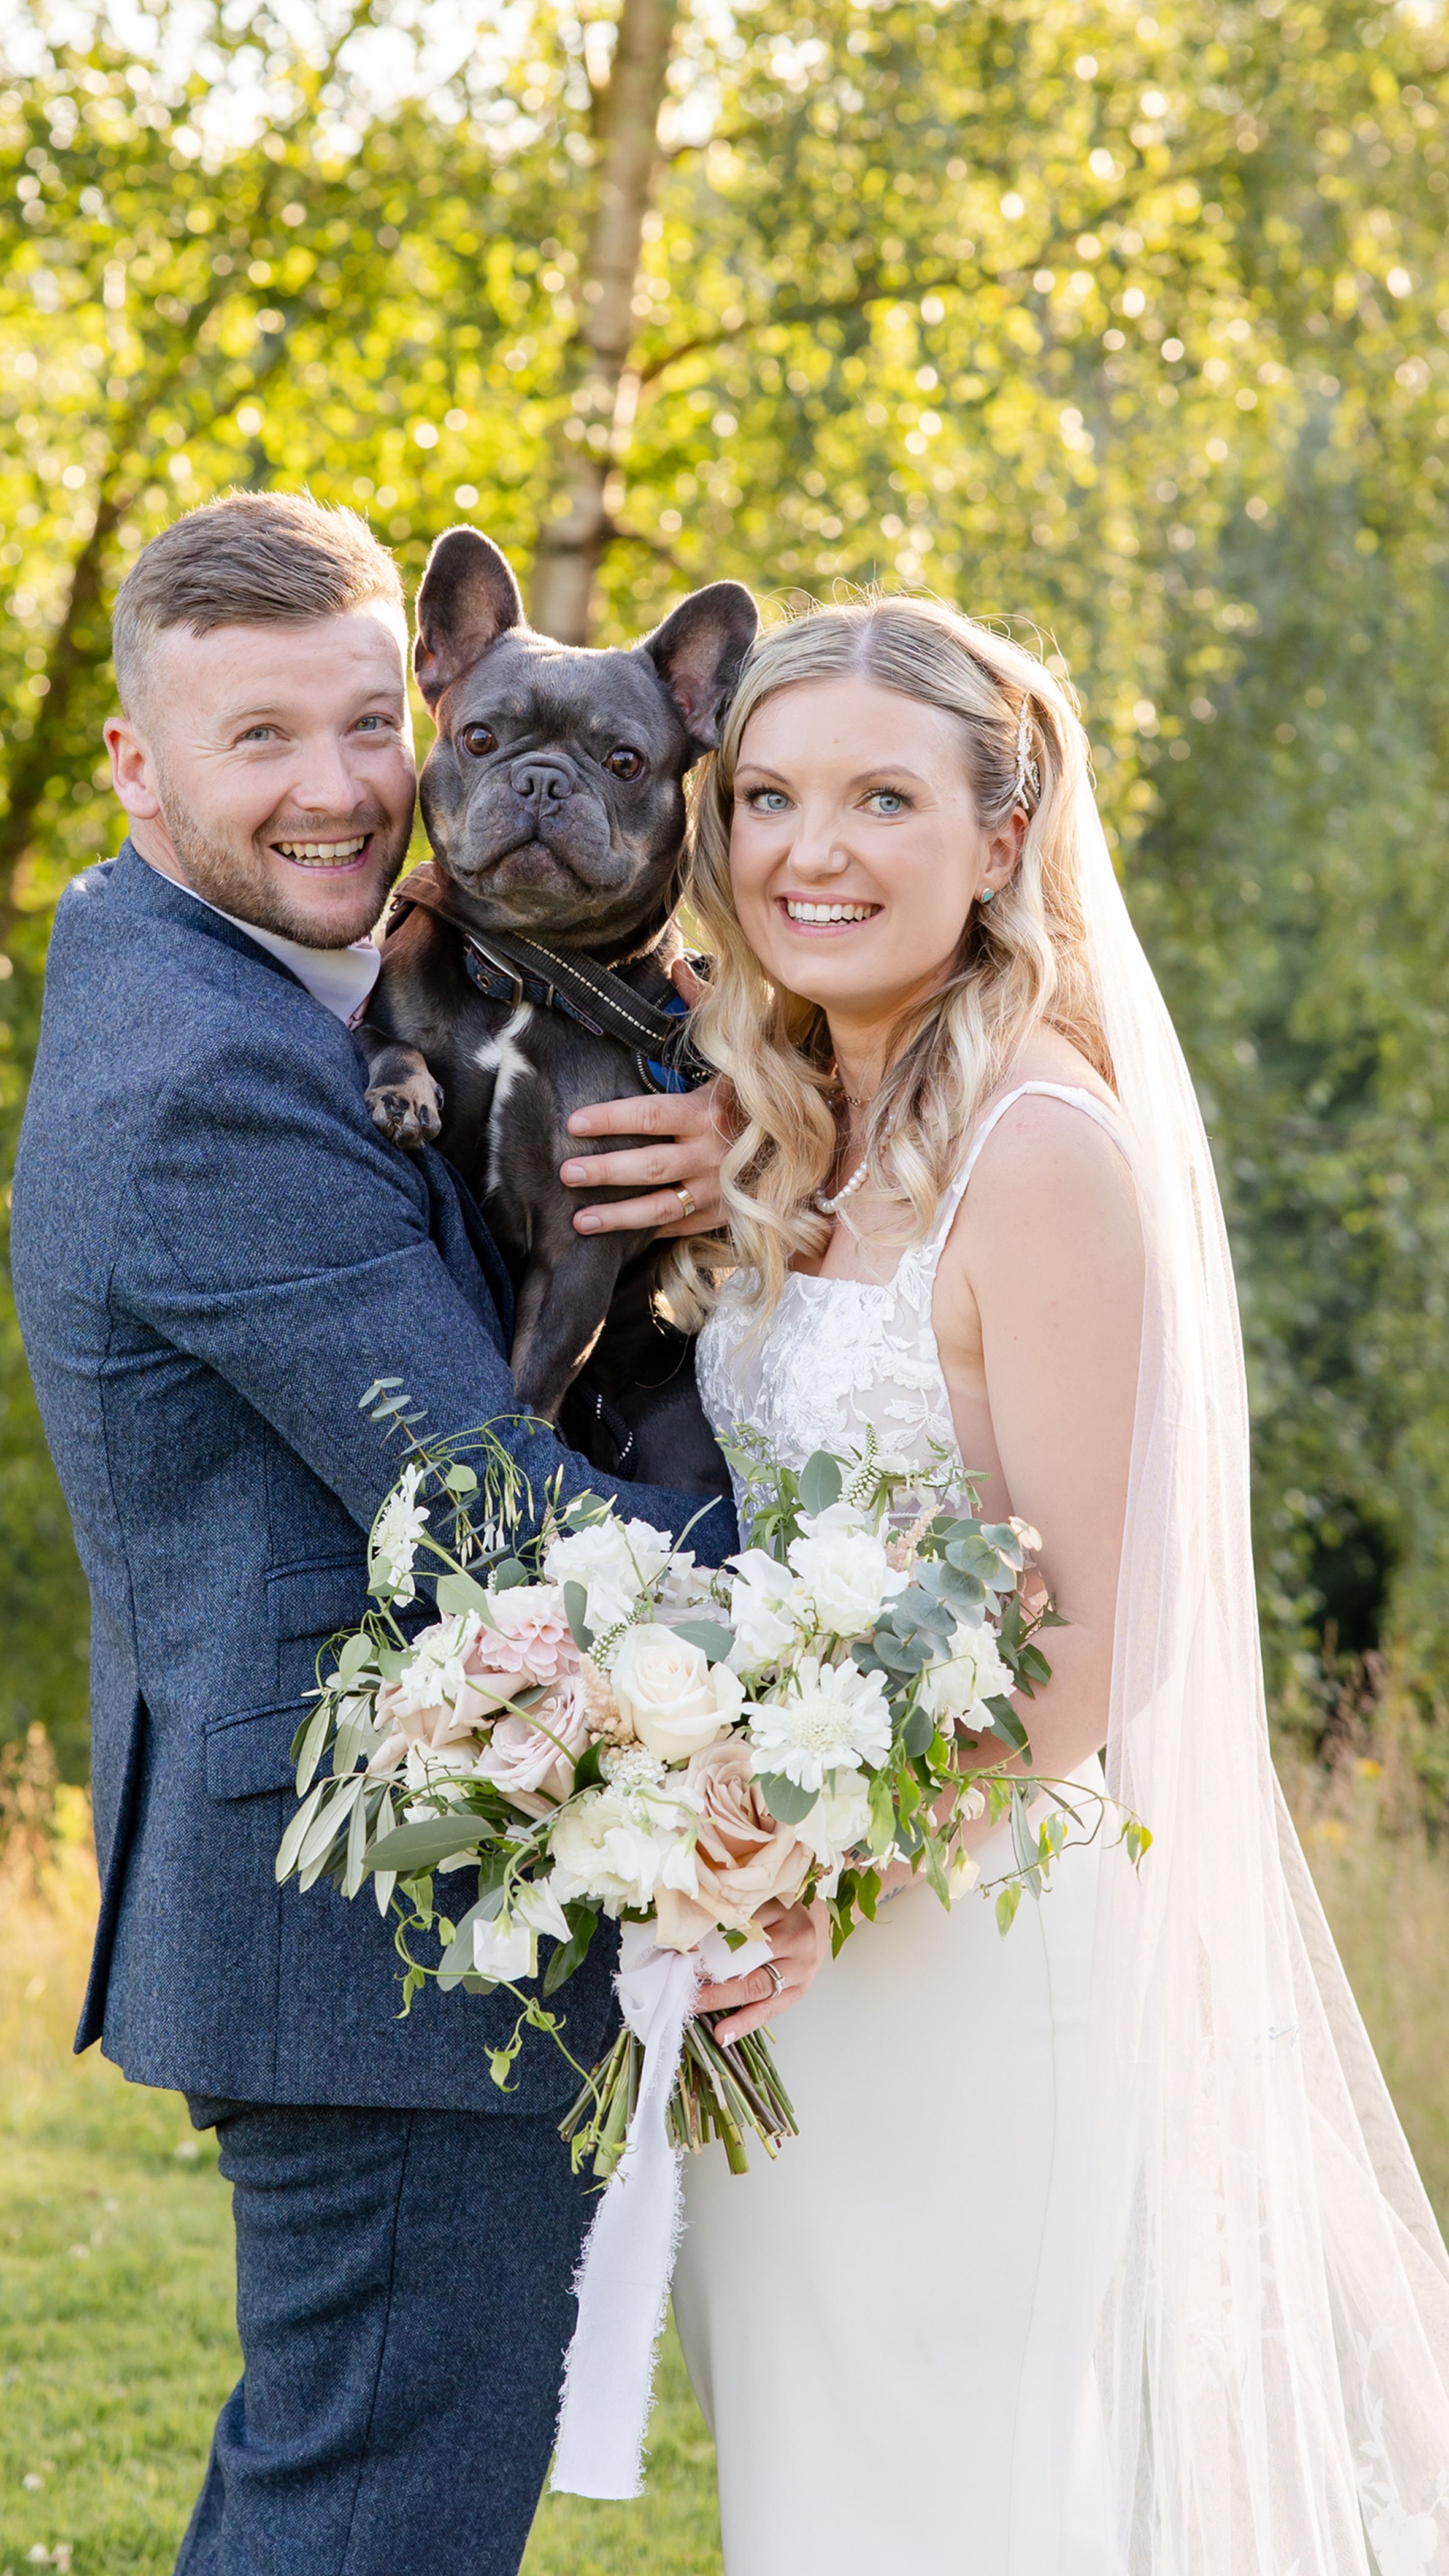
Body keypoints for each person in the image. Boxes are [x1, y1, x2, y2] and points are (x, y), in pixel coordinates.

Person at [658, 596, 1449, 2574]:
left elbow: (1098, 1643)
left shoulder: (1045, 1151)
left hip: (971, 1944)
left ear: (1002, 839)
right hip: (779, 1960)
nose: (804, 851)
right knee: (813, 2475)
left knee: (969, 2496)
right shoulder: (782, 1130)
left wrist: (823, 1874)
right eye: (764, 796)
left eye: (879, 800)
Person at [9, 489, 745, 2576]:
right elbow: (489, 1510)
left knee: (337, 2496)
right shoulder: (206, 1074)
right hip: (377, 1931)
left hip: (364, 1900)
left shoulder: (285, 982)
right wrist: (878, 1631)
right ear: (137, 764)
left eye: (360, 725)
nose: (338, 792)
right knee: (375, 2523)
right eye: (258, 741)